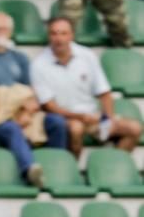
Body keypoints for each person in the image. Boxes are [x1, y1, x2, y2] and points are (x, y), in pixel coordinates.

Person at [0, 12, 68, 188]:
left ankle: (56, 170)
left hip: (23, 112)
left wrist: (25, 112)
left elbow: (30, 92)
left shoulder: (20, 58)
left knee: (57, 123)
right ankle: (30, 169)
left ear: (10, 32)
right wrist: (17, 97)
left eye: (1, 29)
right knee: (12, 128)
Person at [31, 17, 142, 157]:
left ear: (72, 35)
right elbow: (50, 106)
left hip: (92, 117)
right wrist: (80, 116)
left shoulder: (87, 55)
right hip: (66, 119)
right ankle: (72, 170)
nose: (59, 38)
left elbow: (105, 93)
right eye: (54, 33)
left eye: (63, 33)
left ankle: (111, 164)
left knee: (134, 128)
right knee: (76, 129)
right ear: (49, 36)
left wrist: (108, 119)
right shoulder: (38, 65)